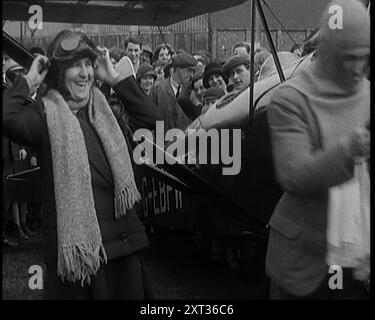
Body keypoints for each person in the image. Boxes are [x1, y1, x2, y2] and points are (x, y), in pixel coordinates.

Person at [3, 29, 152, 299]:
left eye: (88, 64)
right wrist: (29, 81)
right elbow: (7, 117)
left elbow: (153, 124)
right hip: (81, 262)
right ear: (59, 72)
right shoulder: (44, 116)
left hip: (122, 250)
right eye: (75, 66)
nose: (85, 73)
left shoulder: (104, 112)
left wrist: (116, 78)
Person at [266, 0, 370, 299]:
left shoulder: (368, 94)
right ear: (325, 53)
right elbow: (294, 174)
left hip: (357, 260)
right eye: (346, 58)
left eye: (363, 57)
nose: (357, 68)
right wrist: (349, 149)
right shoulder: (290, 99)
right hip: (304, 265)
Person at [151, 50, 196, 130]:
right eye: (189, 71)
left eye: (193, 71)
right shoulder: (159, 90)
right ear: (178, 70)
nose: (192, 75)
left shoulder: (191, 91)